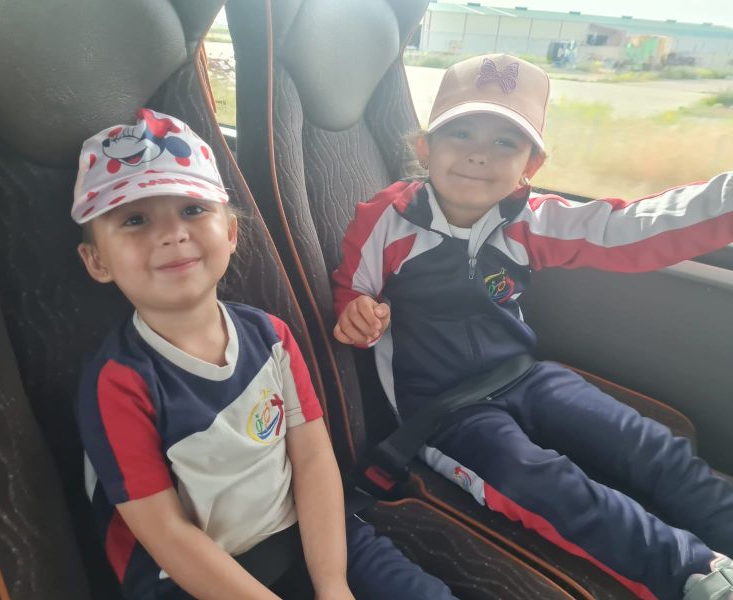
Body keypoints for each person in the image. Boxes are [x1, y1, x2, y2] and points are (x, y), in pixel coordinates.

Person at [332, 54, 733, 600]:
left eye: (505, 142)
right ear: (425, 148)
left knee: (645, 443)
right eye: (460, 134)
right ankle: (695, 574)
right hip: (443, 411)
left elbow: (627, 229)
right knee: (535, 477)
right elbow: (351, 290)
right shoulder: (386, 218)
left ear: (531, 164)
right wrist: (358, 313)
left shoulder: (529, 218)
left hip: (526, 375)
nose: (478, 153)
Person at [72, 109, 456, 600]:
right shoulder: (118, 383)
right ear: (97, 261)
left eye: (192, 210)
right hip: (193, 579)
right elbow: (166, 533)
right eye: (135, 220)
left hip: (309, 534)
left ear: (231, 233)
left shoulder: (270, 336)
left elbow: (313, 458)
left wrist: (332, 582)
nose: (171, 234)